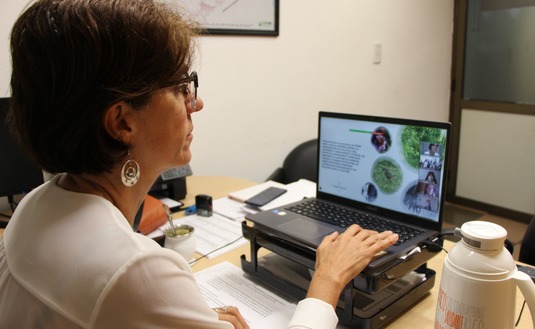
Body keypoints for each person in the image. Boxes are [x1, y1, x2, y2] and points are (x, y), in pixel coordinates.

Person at [0, 1, 398, 328]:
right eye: (179, 87)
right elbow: (124, 287)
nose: (196, 102)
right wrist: (327, 281)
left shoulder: (34, 207)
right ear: (122, 122)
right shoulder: (136, 270)